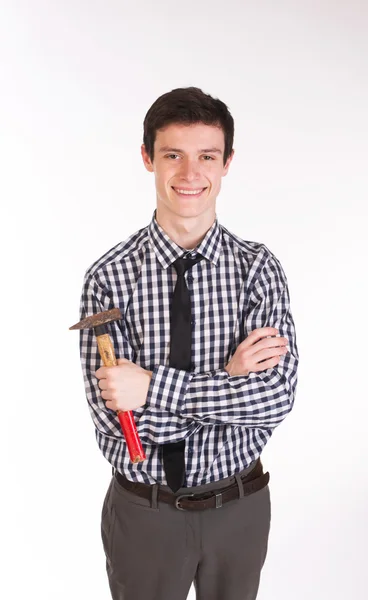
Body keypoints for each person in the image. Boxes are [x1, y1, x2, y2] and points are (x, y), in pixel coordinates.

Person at [78, 86, 299, 600]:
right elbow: (122, 427)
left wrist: (151, 386)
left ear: (227, 164)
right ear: (147, 158)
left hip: (238, 509)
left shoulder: (257, 270)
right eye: (172, 155)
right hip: (145, 514)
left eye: (206, 156)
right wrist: (231, 384)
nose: (189, 173)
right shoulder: (107, 280)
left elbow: (275, 398)